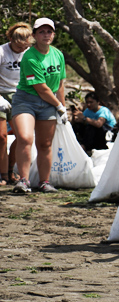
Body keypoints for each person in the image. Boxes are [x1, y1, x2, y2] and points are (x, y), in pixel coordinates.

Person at [11, 18, 67, 194]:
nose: (46, 35)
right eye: (41, 32)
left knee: (45, 144)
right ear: (34, 35)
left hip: (49, 103)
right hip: (26, 100)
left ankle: (44, 182)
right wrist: (58, 105)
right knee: (26, 138)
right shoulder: (29, 56)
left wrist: (63, 109)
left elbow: (60, 85)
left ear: (54, 34)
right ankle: (24, 180)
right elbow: (41, 88)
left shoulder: (58, 54)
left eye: (49, 31)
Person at [0, 22, 34, 186]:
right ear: (11, 40)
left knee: (23, 137)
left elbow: (32, 76)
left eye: (25, 47)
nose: (22, 50)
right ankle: (2, 174)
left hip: (20, 95)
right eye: (19, 46)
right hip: (1, 94)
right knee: (1, 137)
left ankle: (11, 169)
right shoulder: (2, 52)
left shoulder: (29, 53)